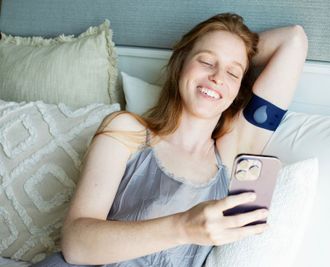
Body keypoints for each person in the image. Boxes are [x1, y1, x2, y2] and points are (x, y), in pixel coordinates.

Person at [34, 12, 308, 266]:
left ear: (238, 88)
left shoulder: (231, 152)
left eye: (233, 72)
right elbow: (75, 244)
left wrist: (238, 49)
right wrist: (183, 226)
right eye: (206, 61)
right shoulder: (127, 131)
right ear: (180, 64)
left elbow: (293, 41)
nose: (216, 77)